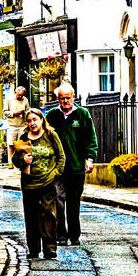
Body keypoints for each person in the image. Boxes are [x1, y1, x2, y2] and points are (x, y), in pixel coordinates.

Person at [45, 84, 97, 247]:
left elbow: (91, 139)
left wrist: (89, 159)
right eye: (62, 98)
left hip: (76, 167)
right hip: (58, 168)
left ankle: (74, 235)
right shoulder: (52, 115)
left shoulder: (82, 115)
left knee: (74, 203)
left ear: (73, 97)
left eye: (68, 97)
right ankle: (61, 234)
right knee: (58, 201)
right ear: (58, 99)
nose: (65, 101)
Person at [12, 108, 65, 259]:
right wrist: (23, 160)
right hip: (29, 184)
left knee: (48, 215)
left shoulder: (50, 135)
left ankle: (50, 248)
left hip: (48, 182)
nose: (32, 123)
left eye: (35, 120)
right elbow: (15, 160)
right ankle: (33, 249)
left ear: (42, 120)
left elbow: (61, 156)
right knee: (31, 216)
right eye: (29, 121)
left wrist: (56, 174)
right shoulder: (23, 137)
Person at [3, 82, 30, 166]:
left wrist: (24, 114)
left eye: (21, 95)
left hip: (22, 125)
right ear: (15, 93)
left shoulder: (25, 100)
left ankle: (20, 162)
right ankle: (10, 162)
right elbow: (5, 112)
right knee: (11, 144)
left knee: (21, 144)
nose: (20, 97)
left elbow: (28, 111)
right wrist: (14, 113)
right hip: (12, 125)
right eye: (19, 95)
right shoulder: (8, 99)